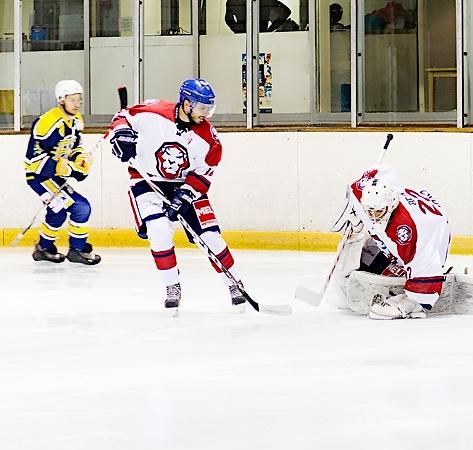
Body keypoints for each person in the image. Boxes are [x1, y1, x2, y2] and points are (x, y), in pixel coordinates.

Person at [108, 78, 247, 313]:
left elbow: (203, 174)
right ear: (186, 103)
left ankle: (235, 283)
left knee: (210, 237)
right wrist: (121, 135)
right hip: (147, 181)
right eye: (202, 108)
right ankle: (172, 285)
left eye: (209, 108)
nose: (206, 113)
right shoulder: (154, 111)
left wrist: (185, 195)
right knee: (159, 231)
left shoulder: (209, 138)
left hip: (185, 185)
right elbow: (123, 117)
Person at [328, 164, 452, 320]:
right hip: (415, 215)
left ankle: (412, 295)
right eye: (369, 211)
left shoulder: (407, 231)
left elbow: (424, 259)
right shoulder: (362, 193)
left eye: (379, 212)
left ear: (392, 204)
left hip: (435, 231)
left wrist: (415, 300)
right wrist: (357, 214)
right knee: (359, 246)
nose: (374, 217)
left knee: (412, 260)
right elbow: (379, 172)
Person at [23, 80, 100, 265]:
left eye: (79, 99)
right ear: (61, 100)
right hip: (39, 177)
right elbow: (32, 159)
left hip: (54, 177)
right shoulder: (47, 123)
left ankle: (44, 249)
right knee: (80, 207)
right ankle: (77, 249)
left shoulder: (76, 121)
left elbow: (74, 147)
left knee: (58, 212)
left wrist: (79, 159)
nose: (77, 104)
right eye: (72, 100)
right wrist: (59, 167)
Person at [224, 0, 290, 33]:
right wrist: (271, 29)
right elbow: (286, 12)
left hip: (258, 34)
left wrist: (239, 31)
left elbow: (286, 12)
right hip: (260, 34)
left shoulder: (233, 1)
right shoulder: (233, 1)